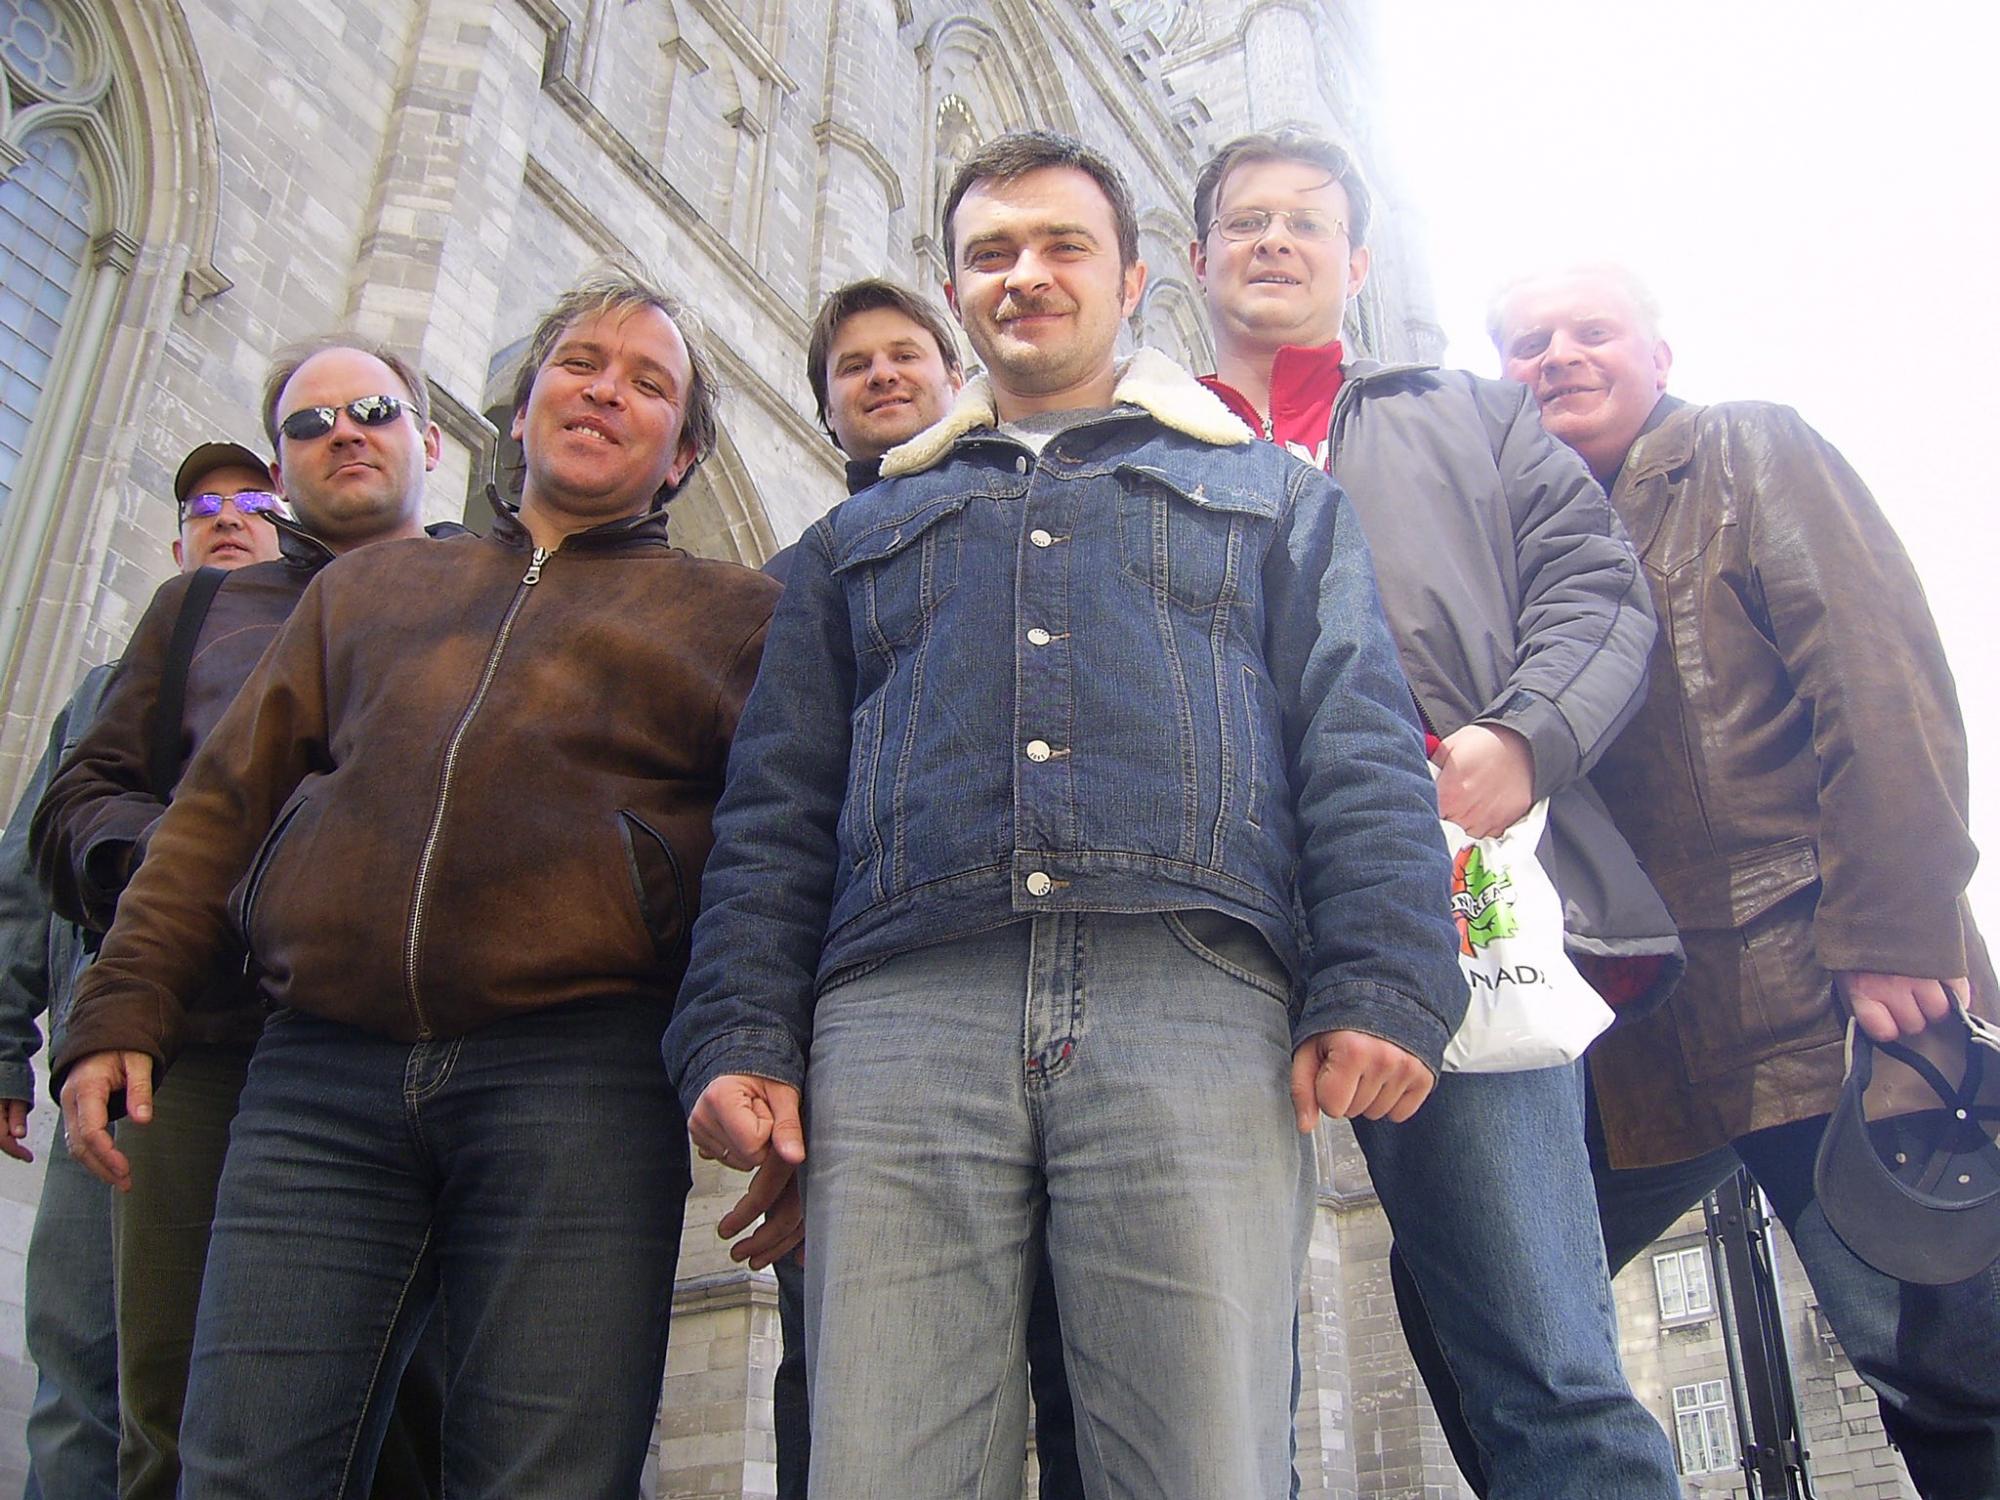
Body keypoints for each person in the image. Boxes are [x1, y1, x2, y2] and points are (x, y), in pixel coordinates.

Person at [666, 130, 1464, 1499]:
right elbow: (777, 804)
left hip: (1191, 995)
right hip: (902, 1016)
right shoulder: (849, 538)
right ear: (956, 288)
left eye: (1061, 246)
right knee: (883, 1466)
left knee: (1199, 1465)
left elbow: (1358, 742)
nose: (1024, 274)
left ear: (1136, 279)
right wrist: (738, 1025)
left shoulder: (1278, 494)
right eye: (991, 253)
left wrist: (1386, 976)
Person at [51, 267, 777, 1497]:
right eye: (579, 364)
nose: (605, 391)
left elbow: (771, 852)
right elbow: (217, 811)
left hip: (577, 1083)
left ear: (683, 456)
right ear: (520, 407)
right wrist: (124, 999)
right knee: (241, 1468)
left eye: (647, 383)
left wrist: (756, 1044)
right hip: (318, 1075)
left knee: (542, 1477)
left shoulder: (738, 619)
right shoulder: (368, 590)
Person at [1187, 128, 1683, 1497]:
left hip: (1448, 894)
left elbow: (1595, 590)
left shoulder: (1472, 413)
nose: (1273, 241)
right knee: (1201, 1381)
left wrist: (1522, 738)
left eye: (1305, 222)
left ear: (1357, 263)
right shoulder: (1136, 440)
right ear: (1194, 258)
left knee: (1545, 1364)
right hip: (1205, 914)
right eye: (1246, 221)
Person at [1481, 262, 2000, 1499]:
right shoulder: (1524, 535)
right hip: (1635, 1031)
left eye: (1591, 330)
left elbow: (1876, 680)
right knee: (1476, 1283)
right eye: (1527, 341)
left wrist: (1894, 926)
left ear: (1656, 356)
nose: (1557, 355)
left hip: (1808, 982)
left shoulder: (1742, 451)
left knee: (1935, 1353)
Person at [32, 357, 453, 1500]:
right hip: (209, 1036)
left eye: (373, 411)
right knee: (172, 1411)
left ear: (430, 443)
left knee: (404, 1424)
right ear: (281, 466)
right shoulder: (200, 611)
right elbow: (76, 803)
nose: (344, 433)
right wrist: (186, 870)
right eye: (310, 422)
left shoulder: (490, 598)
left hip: (404, 1053)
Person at [0, 442, 283, 1500]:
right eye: (203, 506)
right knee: (83, 1354)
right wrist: (5, 1042)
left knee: (210, 1379)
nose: (227, 516)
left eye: (252, 501)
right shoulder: (106, 694)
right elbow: (26, 873)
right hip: (104, 1059)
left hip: (251, 1062)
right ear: (175, 548)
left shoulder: (321, 665)